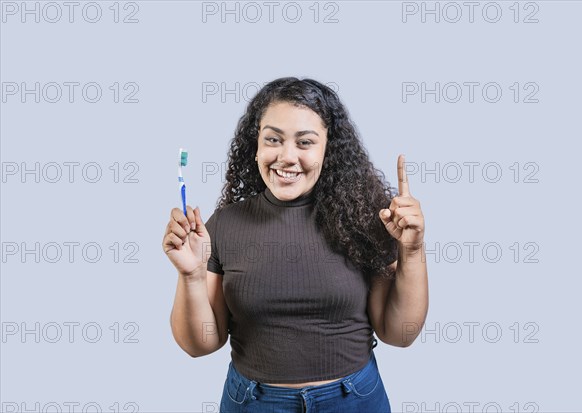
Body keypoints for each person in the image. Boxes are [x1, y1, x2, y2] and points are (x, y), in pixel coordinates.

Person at [162, 77, 429, 412]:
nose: (286, 157)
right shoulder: (224, 225)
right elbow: (199, 344)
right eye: (273, 139)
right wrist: (191, 276)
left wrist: (412, 251)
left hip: (352, 401)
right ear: (255, 144)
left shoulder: (364, 220)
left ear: (327, 150)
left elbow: (399, 333)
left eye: (305, 143)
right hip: (255, 403)